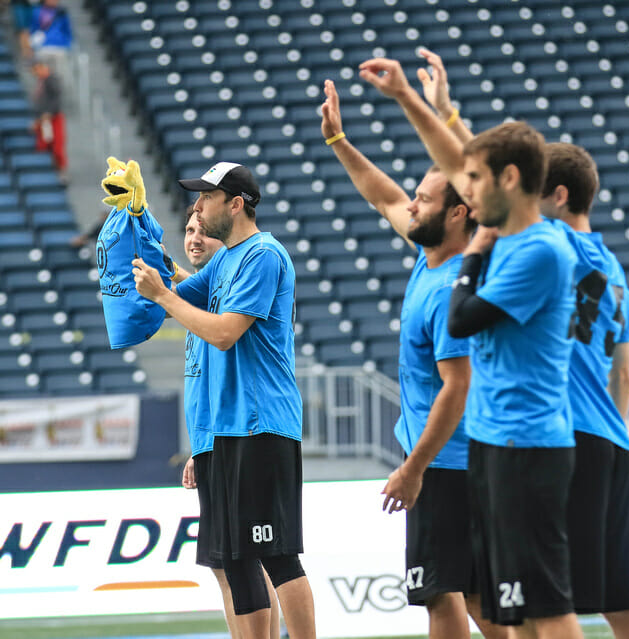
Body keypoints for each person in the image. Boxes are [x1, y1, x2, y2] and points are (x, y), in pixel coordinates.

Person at [359, 58, 583, 639]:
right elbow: (460, 160)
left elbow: (462, 320)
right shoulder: (517, 236)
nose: (470, 188)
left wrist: (476, 252)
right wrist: (413, 98)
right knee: (505, 609)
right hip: (498, 448)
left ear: (507, 183)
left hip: (525, 446)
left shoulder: (533, 250)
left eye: (478, 183)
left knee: (540, 611)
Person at [320, 79, 506, 639]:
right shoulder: (432, 252)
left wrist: (413, 468)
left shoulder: (455, 284)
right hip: (452, 460)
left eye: (423, 199)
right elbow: (382, 195)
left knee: (447, 595)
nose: (410, 204)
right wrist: (339, 140)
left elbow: (459, 385)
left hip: (449, 464)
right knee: (464, 595)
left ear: (457, 215)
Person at [132, 162, 316, 639]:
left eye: (206, 198)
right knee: (235, 559)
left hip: (259, 424)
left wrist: (163, 295)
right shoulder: (224, 261)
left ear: (236, 204)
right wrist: (137, 222)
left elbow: (225, 333)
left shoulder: (262, 254)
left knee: (276, 555)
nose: (198, 206)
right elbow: (171, 287)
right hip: (226, 429)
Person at [539, 144, 629, 639]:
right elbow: (624, 376)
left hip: (569, 439)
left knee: (546, 597)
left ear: (559, 196)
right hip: (613, 440)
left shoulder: (553, 246)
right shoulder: (615, 270)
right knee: (618, 598)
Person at [179, 205, 281, 639]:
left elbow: (225, 349)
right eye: (187, 230)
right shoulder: (203, 301)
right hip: (212, 440)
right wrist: (199, 446)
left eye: (203, 230)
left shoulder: (227, 296)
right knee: (225, 565)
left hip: (243, 435)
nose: (194, 238)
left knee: (254, 560)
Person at [31, 58, 67, 183]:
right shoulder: (41, 82)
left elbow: (56, 99)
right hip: (44, 120)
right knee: (43, 145)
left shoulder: (51, 80)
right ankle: (46, 174)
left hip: (53, 118)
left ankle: (61, 173)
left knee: (57, 146)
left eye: (36, 69)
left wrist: (49, 113)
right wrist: (38, 119)